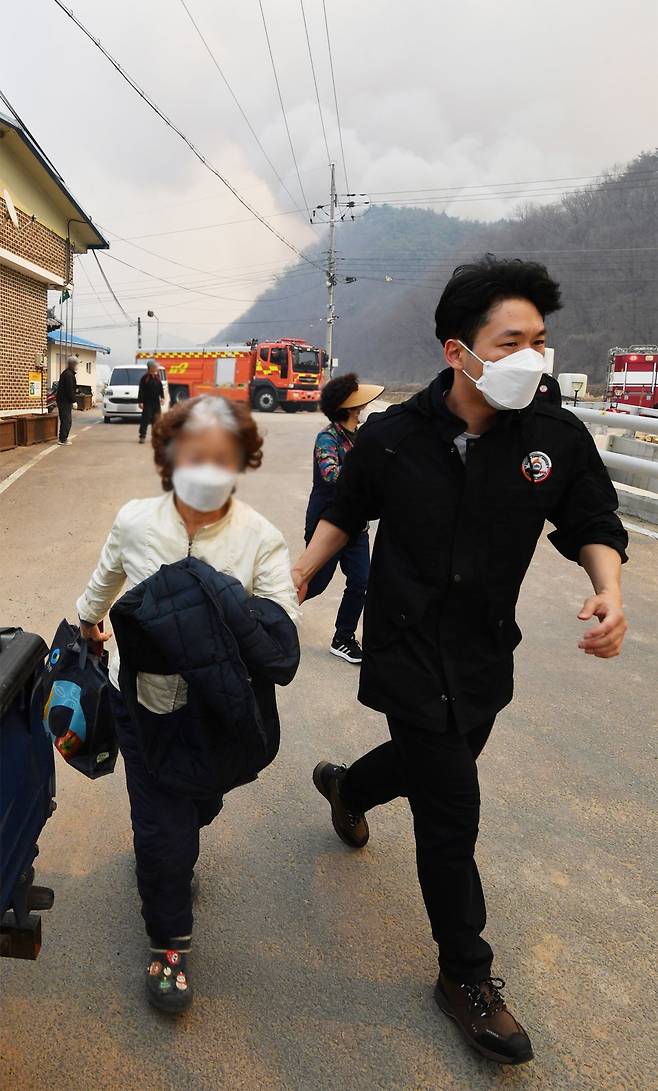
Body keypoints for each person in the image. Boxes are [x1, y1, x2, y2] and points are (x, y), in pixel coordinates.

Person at [293, 256, 629, 1066]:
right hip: (407, 645)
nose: (531, 359)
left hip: (483, 652)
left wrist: (608, 589)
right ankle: (465, 976)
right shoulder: (395, 435)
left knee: (429, 762)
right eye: (510, 341)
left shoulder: (552, 437)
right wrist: (305, 569)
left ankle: (349, 784)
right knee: (453, 811)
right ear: (458, 351)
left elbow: (593, 515)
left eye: (539, 342)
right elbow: (348, 508)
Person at [76, 395, 299, 1012]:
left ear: (241, 460)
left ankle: (176, 847)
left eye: (221, 455)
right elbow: (106, 575)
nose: (206, 466)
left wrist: (221, 606)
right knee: (163, 827)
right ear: (168, 456)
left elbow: (283, 616)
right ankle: (168, 938)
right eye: (194, 453)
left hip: (218, 711)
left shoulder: (260, 537)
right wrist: (87, 620)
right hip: (142, 703)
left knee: (199, 804)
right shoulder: (136, 520)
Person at [304, 374, 384, 664]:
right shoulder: (328, 438)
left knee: (361, 581)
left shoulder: (365, 436)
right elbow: (330, 474)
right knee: (314, 583)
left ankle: (343, 637)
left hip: (356, 524)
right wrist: (366, 480)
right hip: (328, 522)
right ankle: (270, 614)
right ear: (348, 406)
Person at [137, 359, 164, 443]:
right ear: (150, 367)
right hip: (147, 402)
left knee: (156, 420)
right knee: (145, 419)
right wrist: (140, 402)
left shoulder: (157, 378)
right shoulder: (145, 378)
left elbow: (160, 388)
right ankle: (142, 436)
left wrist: (162, 397)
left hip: (156, 402)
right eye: (155, 366)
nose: (156, 368)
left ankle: (156, 437)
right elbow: (141, 390)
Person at [56, 355, 78, 445]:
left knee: (65, 419)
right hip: (64, 401)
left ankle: (63, 437)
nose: (77, 366)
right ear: (72, 364)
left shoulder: (67, 373)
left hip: (63, 400)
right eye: (76, 364)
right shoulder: (68, 375)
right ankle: (63, 439)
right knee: (66, 420)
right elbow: (69, 389)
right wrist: (73, 401)